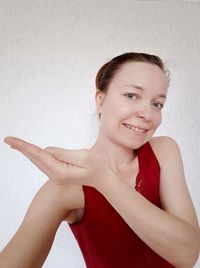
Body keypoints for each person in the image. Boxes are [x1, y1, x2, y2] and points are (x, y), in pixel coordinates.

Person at [0, 52, 199, 268]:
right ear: (101, 100)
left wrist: (103, 179)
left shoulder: (164, 152)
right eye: (132, 95)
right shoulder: (65, 187)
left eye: (157, 104)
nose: (147, 113)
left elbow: (187, 253)